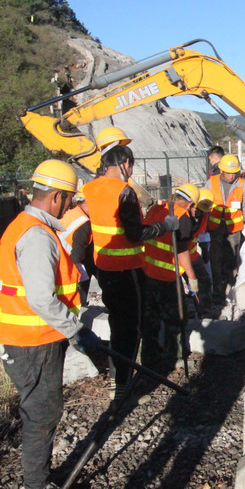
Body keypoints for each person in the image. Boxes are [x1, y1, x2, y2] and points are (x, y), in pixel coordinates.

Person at [0, 160, 102, 489]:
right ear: (57, 197)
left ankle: (38, 479)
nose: (71, 205)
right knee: (42, 412)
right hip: (33, 341)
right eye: (70, 199)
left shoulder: (24, 225)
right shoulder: (36, 236)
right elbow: (42, 299)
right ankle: (37, 484)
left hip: (29, 338)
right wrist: (77, 331)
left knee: (42, 409)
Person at [83, 130, 179, 402]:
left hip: (104, 267)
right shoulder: (123, 192)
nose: (132, 171)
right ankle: (123, 386)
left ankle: (118, 379)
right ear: (124, 163)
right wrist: (164, 226)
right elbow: (135, 233)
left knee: (117, 322)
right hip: (128, 269)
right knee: (129, 326)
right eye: (132, 165)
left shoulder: (89, 189)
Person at [141, 183, 199, 374]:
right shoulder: (182, 218)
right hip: (167, 276)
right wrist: (191, 277)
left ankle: (148, 358)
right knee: (176, 318)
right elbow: (181, 251)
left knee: (151, 319)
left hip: (148, 272)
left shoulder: (157, 209)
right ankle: (173, 357)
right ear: (190, 203)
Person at [205, 154, 245, 307]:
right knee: (216, 261)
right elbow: (203, 206)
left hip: (234, 230)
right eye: (229, 172)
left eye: (234, 172)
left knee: (232, 261)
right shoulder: (211, 183)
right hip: (215, 229)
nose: (232, 176)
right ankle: (218, 293)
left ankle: (231, 289)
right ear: (221, 171)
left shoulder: (241, 184)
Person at [57, 185, 95, 302]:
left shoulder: (71, 212)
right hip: (66, 265)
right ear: (88, 203)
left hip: (57, 260)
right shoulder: (83, 222)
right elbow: (77, 254)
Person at [189, 187, 214, 318]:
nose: (198, 213)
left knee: (204, 282)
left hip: (192, 256)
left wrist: (204, 248)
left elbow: (203, 231)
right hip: (177, 258)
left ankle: (205, 314)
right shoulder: (183, 217)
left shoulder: (204, 214)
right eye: (197, 209)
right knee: (192, 285)